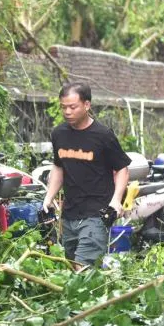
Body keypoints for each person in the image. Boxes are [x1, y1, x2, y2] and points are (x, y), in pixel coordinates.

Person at [42, 82, 131, 267]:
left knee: (82, 266)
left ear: (87, 105)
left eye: (72, 107)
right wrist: (48, 198)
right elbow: (59, 167)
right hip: (70, 214)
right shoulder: (58, 134)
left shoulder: (103, 135)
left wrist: (116, 200)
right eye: (63, 107)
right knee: (71, 266)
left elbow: (122, 168)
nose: (67, 111)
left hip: (96, 214)